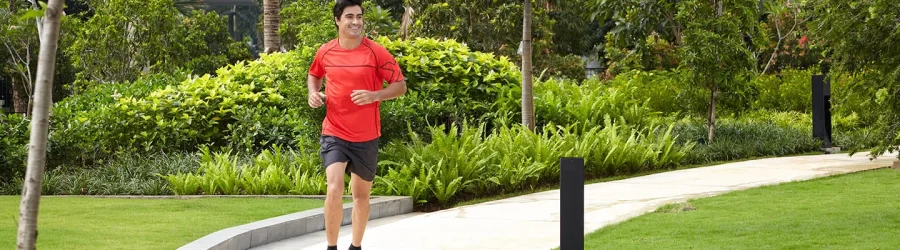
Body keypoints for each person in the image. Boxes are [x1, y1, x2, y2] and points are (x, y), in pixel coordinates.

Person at [306, 0, 407, 249]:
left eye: (359, 17)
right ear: (337, 21)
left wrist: (375, 95)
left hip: (366, 135)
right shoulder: (326, 51)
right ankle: (331, 247)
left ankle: (356, 246)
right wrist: (313, 92)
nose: (356, 22)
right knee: (334, 186)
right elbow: (315, 74)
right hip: (334, 132)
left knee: (361, 196)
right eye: (350, 16)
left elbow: (400, 86)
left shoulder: (376, 52)